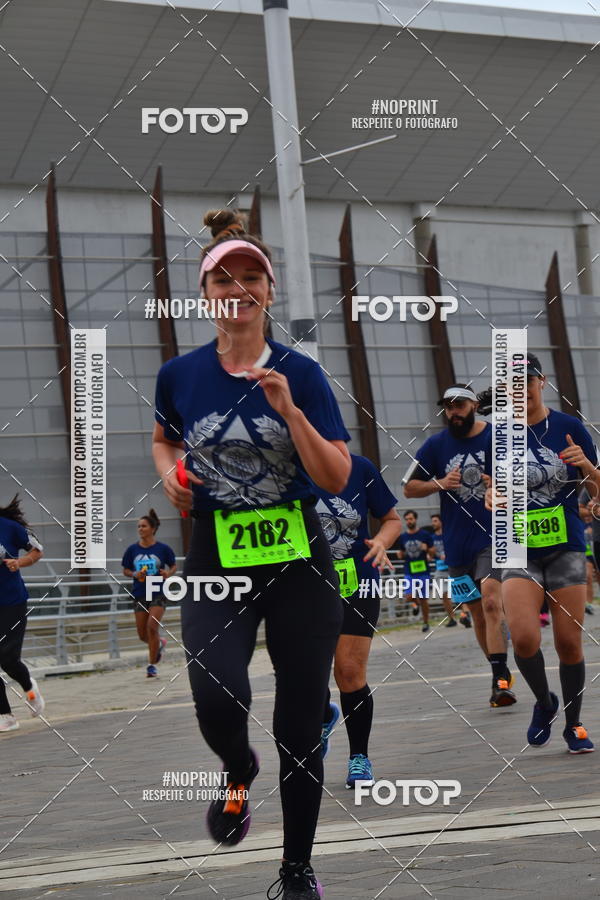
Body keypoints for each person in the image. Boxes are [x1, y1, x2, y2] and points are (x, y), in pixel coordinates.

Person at [153, 209, 352, 900]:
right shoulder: (179, 374)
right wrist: (171, 474)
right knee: (217, 693)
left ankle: (296, 871)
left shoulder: (305, 373)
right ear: (204, 292)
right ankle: (238, 770)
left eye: (251, 278)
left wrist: (290, 411)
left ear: (269, 290)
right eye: (223, 279)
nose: (237, 289)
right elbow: (165, 439)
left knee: (299, 722)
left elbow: (336, 477)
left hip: (299, 561)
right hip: (216, 557)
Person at [485, 353, 600, 753]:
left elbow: (598, 491)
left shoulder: (569, 427)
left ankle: (574, 723)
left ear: (542, 382)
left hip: (566, 546)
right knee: (523, 639)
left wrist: (587, 466)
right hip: (518, 548)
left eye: (527, 382)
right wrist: (490, 495)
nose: (521, 391)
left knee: (569, 643)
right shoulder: (498, 435)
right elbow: (491, 487)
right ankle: (544, 702)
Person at [403, 384, 516, 708]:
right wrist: (439, 483)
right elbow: (409, 488)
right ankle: (499, 670)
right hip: (456, 546)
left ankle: (500, 681)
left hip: (492, 536)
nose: (454, 411)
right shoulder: (435, 445)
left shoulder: (496, 437)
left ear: (474, 405)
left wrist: (502, 484)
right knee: (477, 614)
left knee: (492, 602)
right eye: (449, 406)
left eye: (460, 405)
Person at [315, 454, 401, 788]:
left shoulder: (359, 468)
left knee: (349, 671)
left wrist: (381, 541)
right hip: (305, 586)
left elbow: (391, 520)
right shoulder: (285, 469)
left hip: (357, 580)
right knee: (308, 676)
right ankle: (324, 716)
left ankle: (359, 757)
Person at [0, 495, 45, 732]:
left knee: (7, 658)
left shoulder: (10, 527)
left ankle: (29, 687)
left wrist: (19, 563)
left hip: (11, 602)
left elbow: (37, 551)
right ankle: (5, 715)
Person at [122, 510, 176, 678]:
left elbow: (173, 566)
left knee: (152, 627)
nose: (140, 529)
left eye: (144, 526)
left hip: (158, 591)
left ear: (153, 529)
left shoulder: (163, 549)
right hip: (139, 593)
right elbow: (125, 569)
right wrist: (135, 574)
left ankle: (151, 665)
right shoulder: (132, 550)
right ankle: (159, 643)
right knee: (142, 634)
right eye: (139, 526)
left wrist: (168, 573)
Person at [396, 510, 433, 633]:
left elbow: (433, 552)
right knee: (409, 595)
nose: (409, 521)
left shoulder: (425, 535)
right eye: (406, 519)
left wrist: (427, 549)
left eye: (411, 519)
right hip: (409, 571)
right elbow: (401, 553)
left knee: (424, 599)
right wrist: (400, 555)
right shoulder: (403, 537)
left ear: (415, 519)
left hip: (423, 571)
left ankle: (426, 622)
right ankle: (415, 604)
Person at [429, 513, 457, 627]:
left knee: (459, 592)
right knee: (444, 594)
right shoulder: (431, 538)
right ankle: (452, 618)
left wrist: (449, 554)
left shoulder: (449, 534)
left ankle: (465, 614)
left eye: (435, 521)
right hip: (440, 568)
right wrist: (429, 554)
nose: (433, 523)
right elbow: (431, 553)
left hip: (453, 566)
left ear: (441, 522)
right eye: (432, 521)